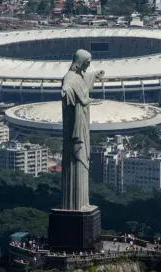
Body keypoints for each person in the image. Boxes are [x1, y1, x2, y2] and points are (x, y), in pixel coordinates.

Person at [61, 49, 105, 211]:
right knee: (76, 161)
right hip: (76, 128)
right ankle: (75, 204)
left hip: (84, 123)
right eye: (86, 63)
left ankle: (82, 203)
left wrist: (93, 74)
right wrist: (66, 91)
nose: (88, 66)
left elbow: (82, 81)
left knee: (82, 163)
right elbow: (69, 84)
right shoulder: (70, 78)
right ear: (79, 62)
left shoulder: (79, 76)